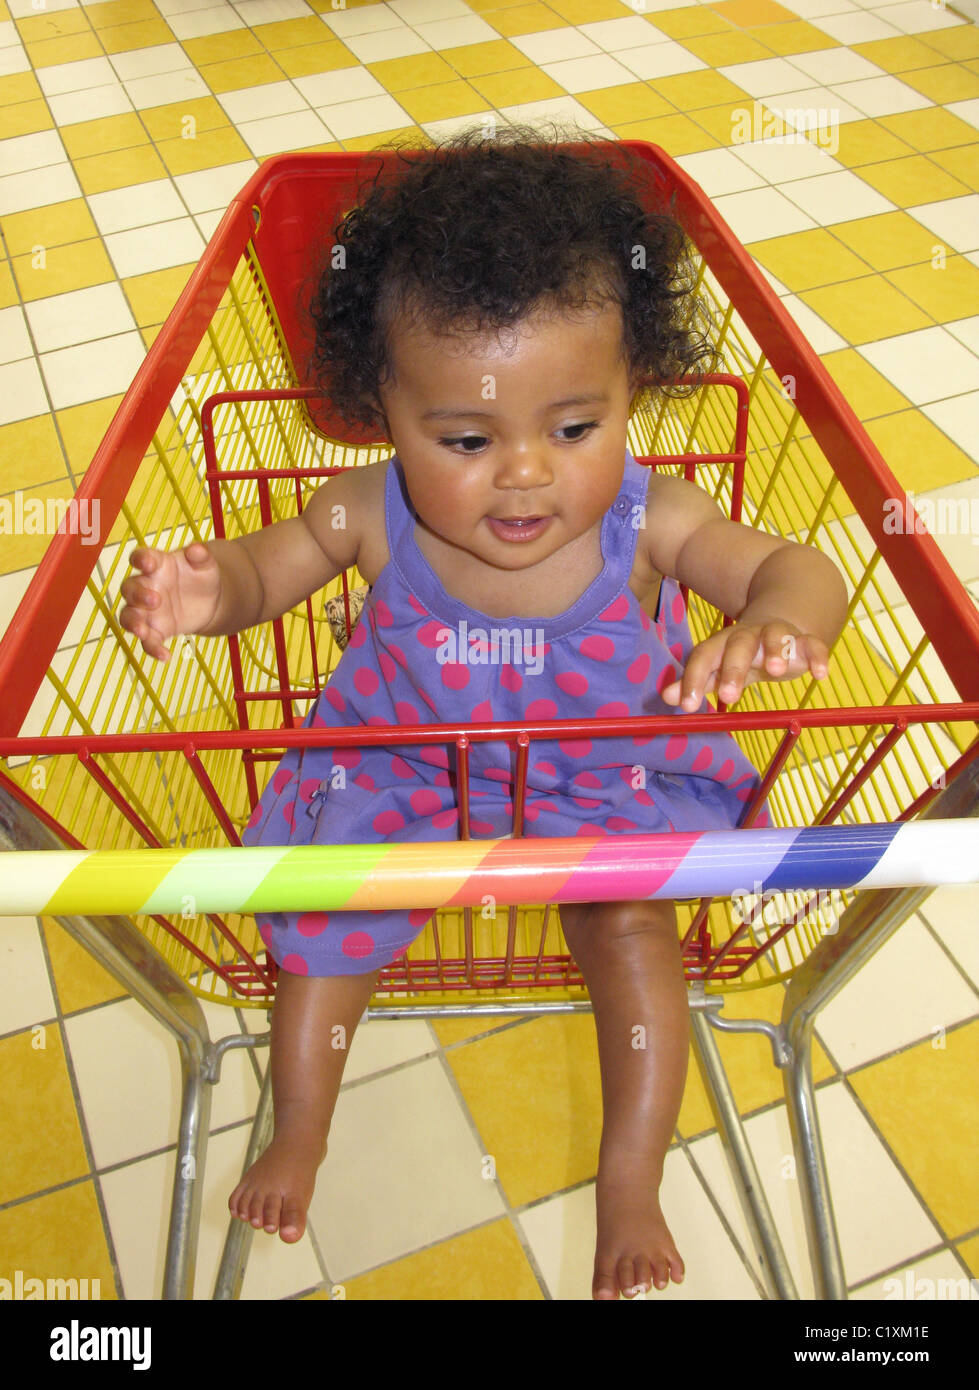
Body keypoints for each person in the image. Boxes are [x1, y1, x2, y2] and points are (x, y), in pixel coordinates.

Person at [119, 127, 848, 1300]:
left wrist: (771, 620)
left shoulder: (651, 520)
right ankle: (300, 1124)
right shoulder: (367, 511)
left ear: (631, 396)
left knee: (630, 931)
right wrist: (210, 592)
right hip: (402, 769)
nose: (523, 473)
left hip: (599, 782)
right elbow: (263, 573)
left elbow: (799, 564)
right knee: (317, 925)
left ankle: (628, 1178)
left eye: (574, 427)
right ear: (381, 411)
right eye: (464, 438)